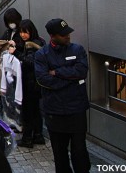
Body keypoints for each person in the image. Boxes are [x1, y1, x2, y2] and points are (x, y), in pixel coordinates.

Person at [35, 19, 90, 173]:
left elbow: (81, 72)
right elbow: (43, 79)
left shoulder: (77, 50)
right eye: (63, 34)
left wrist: (57, 72)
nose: (68, 36)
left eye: (68, 33)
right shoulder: (42, 54)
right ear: (52, 36)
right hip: (55, 111)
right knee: (60, 153)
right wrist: (71, 80)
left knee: (80, 151)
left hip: (77, 109)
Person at [15, 19, 46, 148]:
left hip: (30, 83)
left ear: (31, 31)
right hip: (36, 83)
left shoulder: (32, 44)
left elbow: (30, 61)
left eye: (25, 32)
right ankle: (38, 136)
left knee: (28, 111)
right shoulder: (39, 41)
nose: (23, 35)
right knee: (36, 111)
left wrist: (15, 53)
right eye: (21, 32)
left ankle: (27, 138)